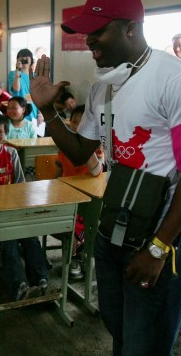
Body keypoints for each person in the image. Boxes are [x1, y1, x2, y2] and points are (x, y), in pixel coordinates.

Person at [30, 0, 181, 356]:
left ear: (131, 28)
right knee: (118, 325)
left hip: (162, 231)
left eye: (97, 32)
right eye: (86, 34)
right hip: (118, 220)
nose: (89, 42)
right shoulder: (105, 86)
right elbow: (82, 151)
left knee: (146, 338)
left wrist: (160, 248)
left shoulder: (178, 82)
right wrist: (47, 110)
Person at [0, 113, 53, 300]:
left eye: (0, 132)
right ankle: (19, 286)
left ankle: (41, 280)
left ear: (6, 133)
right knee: (8, 242)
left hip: (14, 208)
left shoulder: (11, 153)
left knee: (31, 238)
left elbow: (20, 183)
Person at [54, 105, 103, 279]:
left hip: (89, 197)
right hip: (68, 195)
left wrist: (85, 146)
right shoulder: (65, 146)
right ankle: (76, 254)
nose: (77, 126)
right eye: (74, 122)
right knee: (69, 220)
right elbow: (59, 170)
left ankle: (77, 254)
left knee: (83, 221)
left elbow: (97, 171)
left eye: (82, 123)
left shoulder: (97, 147)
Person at [8, 48, 39, 123]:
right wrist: (18, 71)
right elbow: (16, 88)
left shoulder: (36, 77)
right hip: (18, 110)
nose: (25, 60)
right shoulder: (13, 74)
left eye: (27, 58)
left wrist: (40, 114)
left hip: (34, 110)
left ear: (31, 60)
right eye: (22, 58)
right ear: (18, 60)